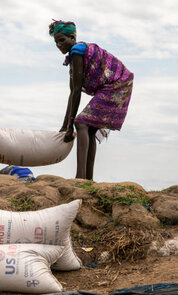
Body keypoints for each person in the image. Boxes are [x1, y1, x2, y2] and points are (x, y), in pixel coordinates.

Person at [49, 20, 133, 180]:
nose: (59, 45)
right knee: (90, 127)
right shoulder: (74, 56)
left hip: (118, 85)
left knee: (81, 123)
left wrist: (70, 125)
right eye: (56, 42)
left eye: (62, 40)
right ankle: (88, 179)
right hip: (117, 86)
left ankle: (80, 177)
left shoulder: (77, 51)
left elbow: (76, 93)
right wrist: (64, 126)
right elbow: (72, 93)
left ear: (72, 37)